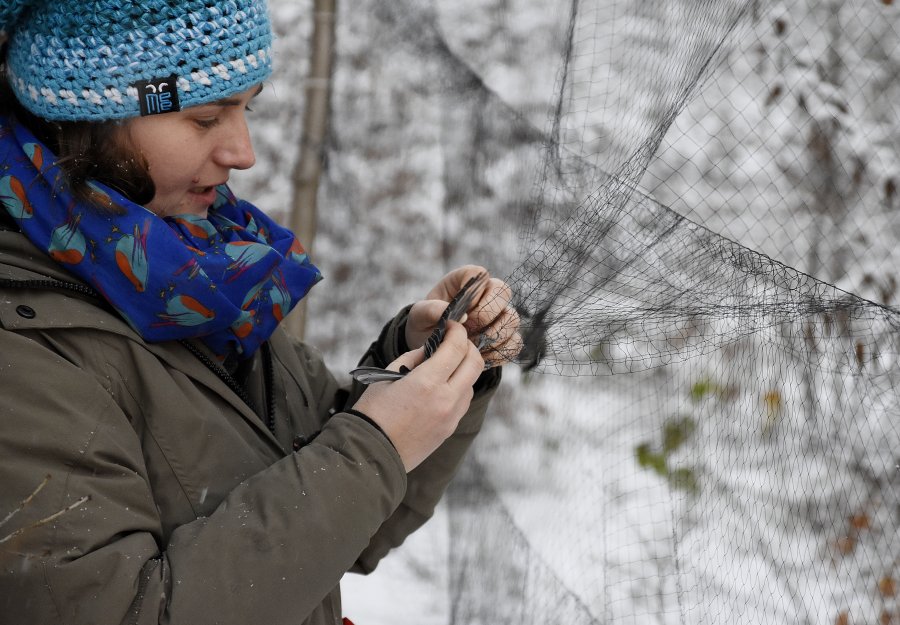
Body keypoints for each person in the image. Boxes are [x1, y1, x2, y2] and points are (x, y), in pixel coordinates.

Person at [0, 1, 522, 623]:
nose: (243, 152)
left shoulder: (196, 275)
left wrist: (419, 367)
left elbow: (342, 521)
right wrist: (372, 447)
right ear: (88, 119)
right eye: (204, 117)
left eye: (249, 107)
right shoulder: (24, 347)